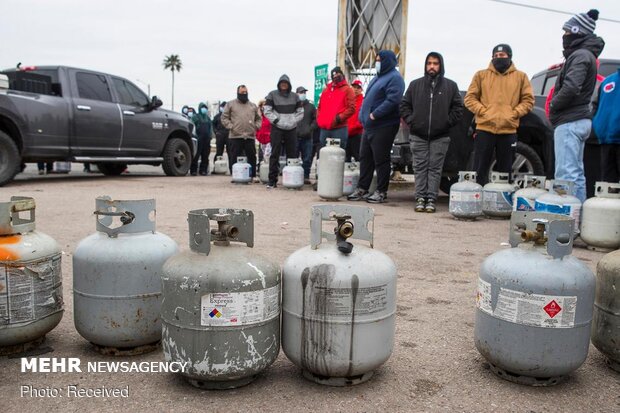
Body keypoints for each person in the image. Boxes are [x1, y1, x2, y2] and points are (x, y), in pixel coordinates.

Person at [549, 9, 605, 202]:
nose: (564, 36)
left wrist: (554, 106)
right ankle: (577, 215)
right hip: (579, 120)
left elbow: (572, 87)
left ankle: (565, 219)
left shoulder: (580, 55)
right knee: (577, 173)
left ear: (577, 31)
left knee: (566, 174)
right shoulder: (587, 55)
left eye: (567, 32)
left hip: (570, 120)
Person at [400, 52, 463, 213]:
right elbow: (404, 105)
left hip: (440, 136)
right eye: (429, 63)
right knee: (420, 168)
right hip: (418, 135)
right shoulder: (415, 85)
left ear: (440, 65)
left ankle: (431, 199)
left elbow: (458, 108)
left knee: (435, 169)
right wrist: (412, 120)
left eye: (435, 63)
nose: (432, 66)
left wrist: (446, 122)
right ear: (425, 65)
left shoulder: (450, 86)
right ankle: (420, 198)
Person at [464, 44, 534, 186]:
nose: (498, 58)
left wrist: (514, 113)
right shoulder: (481, 75)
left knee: (505, 171)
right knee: (479, 169)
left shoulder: (521, 77)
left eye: (502, 56)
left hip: (508, 130)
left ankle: (502, 203)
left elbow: (528, 100)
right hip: (484, 129)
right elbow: (469, 98)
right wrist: (484, 112)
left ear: (509, 56)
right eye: (495, 56)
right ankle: (478, 198)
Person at [347, 50, 405, 203]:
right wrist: (362, 115)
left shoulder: (395, 78)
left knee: (381, 159)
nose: (377, 62)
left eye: (380, 60)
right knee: (365, 158)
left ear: (388, 61)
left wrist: (375, 114)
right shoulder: (377, 78)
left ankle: (381, 191)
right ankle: (362, 188)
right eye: (376, 60)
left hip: (384, 125)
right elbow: (368, 99)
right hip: (369, 126)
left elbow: (393, 100)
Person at [263, 74, 304, 188]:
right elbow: (266, 110)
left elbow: (301, 112)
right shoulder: (272, 95)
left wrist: (293, 121)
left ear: (289, 84)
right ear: (279, 84)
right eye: (282, 83)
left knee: (292, 154)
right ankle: (272, 181)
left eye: (286, 83)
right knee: (274, 154)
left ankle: (291, 181)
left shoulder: (295, 96)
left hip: (291, 129)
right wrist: (276, 120)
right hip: (277, 128)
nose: (284, 85)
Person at [221, 85, 262, 180]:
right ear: (238, 93)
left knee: (251, 156)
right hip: (235, 136)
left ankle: (252, 176)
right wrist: (231, 127)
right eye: (242, 92)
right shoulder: (230, 104)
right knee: (234, 157)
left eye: (245, 92)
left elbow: (259, 119)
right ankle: (235, 176)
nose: (244, 94)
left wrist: (256, 127)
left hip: (250, 136)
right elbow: (224, 117)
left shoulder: (252, 105)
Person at [316, 67, 355, 151]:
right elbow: (319, 107)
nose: (336, 76)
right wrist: (320, 119)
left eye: (338, 73)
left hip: (339, 128)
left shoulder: (348, 90)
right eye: (334, 74)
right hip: (324, 129)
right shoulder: (326, 90)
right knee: (323, 155)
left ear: (342, 74)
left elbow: (351, 108)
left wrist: (338, 118)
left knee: (337, 155)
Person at [593, 68, 620, 182]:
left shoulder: (606, 81)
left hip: (610, 139)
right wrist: (597, 124)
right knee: (608, 188)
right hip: (606, 140)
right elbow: (595, 105)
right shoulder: (607, 82)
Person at [295, 86, 317, 183]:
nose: (303, 94)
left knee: (307, 158)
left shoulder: (311, 106)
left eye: (304, 92)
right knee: (294, 158)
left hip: (307, 137)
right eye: (301, 92)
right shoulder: (293, 106)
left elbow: (316, 120)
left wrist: (310, 128)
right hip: (295, 136)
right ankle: (295, 177)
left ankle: (306, 176)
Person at [190, 102, 213, 176]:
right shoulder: (195, 117)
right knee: (196, 155)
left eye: (205, 108)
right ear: (199, 108)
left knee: (205, 155)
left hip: (207, 140)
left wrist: (210, 136)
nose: (204, 109)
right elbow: (192, 126)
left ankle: (203, 170)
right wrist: (194, 136)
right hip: (198, 139)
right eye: (203, 107)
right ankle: (193, 170)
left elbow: (210, 128)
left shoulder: (208, 118)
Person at [347, 79, 364, 162]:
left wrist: (355, 127)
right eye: (354, 87)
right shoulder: (347, 101)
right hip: (346, 134)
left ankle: (361, 174)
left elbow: (363, 118)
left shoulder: (364, 101)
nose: (356, 89)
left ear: (361, 90)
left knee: (359, 157)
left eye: (358, 87)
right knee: (346, 158)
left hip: (357, 134)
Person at [257, 99, 272, 166]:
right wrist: (257, 135)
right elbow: (256, 127)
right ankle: (264, 168)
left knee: (267, 154)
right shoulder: (259, 117)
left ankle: (268, 167)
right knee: (263, 155)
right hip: (261, 139)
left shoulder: (270, 116)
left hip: (269, 138)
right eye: (263, 105)